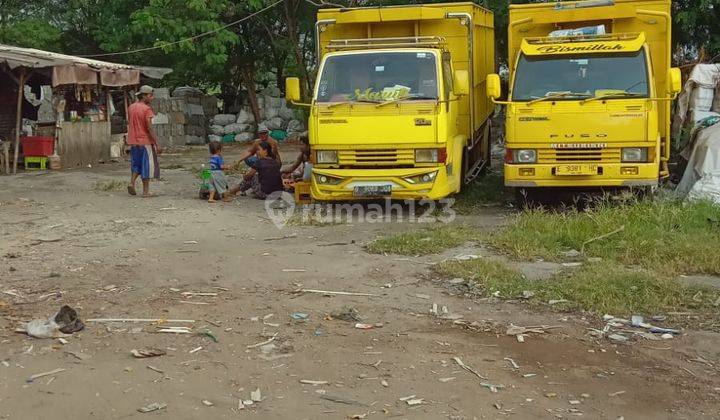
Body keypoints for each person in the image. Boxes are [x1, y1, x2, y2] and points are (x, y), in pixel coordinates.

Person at [126, 85, 161, 197]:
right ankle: (145, 192)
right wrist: (156, 143)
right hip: (145, 141)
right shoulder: (147, 109)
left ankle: (132, 182)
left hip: (133, 141)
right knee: (146, 166)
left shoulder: (131, 107)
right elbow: (149, 127)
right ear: (144, 96)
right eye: (150, 96)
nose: (152, 98)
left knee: (136, 165)